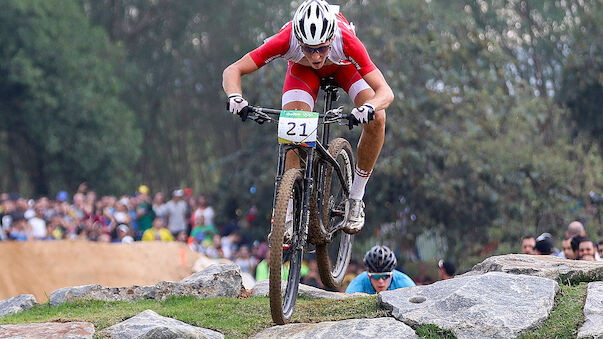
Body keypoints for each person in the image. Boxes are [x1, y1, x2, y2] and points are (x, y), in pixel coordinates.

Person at [222, 0, 394, 235]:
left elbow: (385, 92)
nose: (315, 56)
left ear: (331, 38)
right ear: (298, 41)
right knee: (294, 132)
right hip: (302, 73)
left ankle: (355, 198)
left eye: (322, 48)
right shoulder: (285, 39)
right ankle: (289, 212)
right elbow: (233, 70)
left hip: (344, 68)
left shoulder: (347, 40)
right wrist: (235, 96)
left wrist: (369, 107)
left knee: (378, 119)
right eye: (308, 48)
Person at [345, 245, 415, 294]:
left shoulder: (405, 284)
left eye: (385, 276)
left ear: (391, 274)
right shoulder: (357, 285)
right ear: (368, 275)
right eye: (376, 277)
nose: (381, 281)